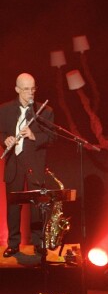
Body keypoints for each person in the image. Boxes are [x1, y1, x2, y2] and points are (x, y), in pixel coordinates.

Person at [0, 73, 54, 257]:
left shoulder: (45, 111)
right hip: (14, 164)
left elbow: (51, 138)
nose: (31, 92)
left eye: (33, 88)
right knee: (13, 206)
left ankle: (38, 242)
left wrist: (34, 136)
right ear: (17, 89)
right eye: (26, 89)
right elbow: (0, 132)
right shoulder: (4, 109)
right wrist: (4, 140)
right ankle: (13, 244)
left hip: (35, 165)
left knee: (37, 206)